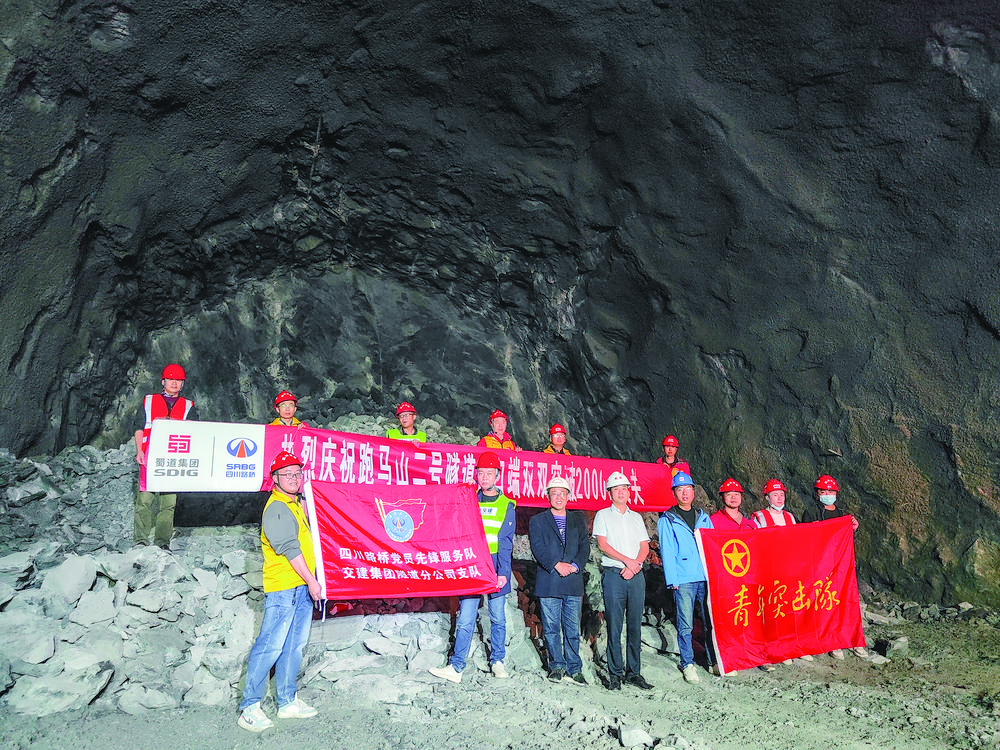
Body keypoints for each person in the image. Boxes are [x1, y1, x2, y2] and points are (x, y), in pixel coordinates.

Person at [237, 451, 321, 732]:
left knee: (293, 646)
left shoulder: (293, 503)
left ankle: (287, 701)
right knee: (270, 646)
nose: (294, 478)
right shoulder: (276, 508)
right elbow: (290, 550)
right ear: (275, 478)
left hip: (299, 588)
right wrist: (312, 581)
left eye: (298, 473)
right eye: (288, 474)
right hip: (284, 588)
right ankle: (249, 707)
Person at [430, 452, 516, 683]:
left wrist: (503, 573)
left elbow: (506, 542)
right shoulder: (468, 500)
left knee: (497, 616)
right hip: (472, 563)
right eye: (481, 473)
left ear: (497, 476)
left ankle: (498, 661)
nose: (485, 477)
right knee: (466, 617)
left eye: (489, 473)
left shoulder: (506, 505)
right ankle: (457, 666)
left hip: (495, 563)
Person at [593, 472, 653, 691]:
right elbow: (603, 545)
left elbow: (644, 546)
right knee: (615, 626)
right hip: (614, 575)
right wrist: (628, 562)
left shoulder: (636, 517)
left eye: (624, 489)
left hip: (635, 575)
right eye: (616, 489)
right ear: (609, 493)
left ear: (629, 491)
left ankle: (633, 672)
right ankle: (615, 674)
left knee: (635, 625)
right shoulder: (602, 515)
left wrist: (635, 565)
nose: (621, 492)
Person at [529, 475, 589, 685]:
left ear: (568, 496)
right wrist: (556, 564)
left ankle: (574, 668)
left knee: (572, 628)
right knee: (552, 627)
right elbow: (537, 547)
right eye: (554, 493)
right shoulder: (538, 521)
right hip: (550, 580)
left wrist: (574, 566)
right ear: (548, 496)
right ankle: (557, 666)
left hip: (572, 580)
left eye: (562, 493)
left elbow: (584, 546)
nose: (558, 497)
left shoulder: (578, 520)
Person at [658, 471, 716, 683]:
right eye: (680, 490)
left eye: (688, 489)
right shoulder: (668, 519)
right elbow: (667, 550)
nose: (684, 493)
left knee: (711, 621)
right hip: (683, 579)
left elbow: (713, 546)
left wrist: (715, 574)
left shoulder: (703, 517)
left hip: (705, 576)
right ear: (674, 493)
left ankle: (713, 661)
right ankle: (688, 663)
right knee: (685, 624)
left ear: (693, 492)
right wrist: (672, 579)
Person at [802, 474, 866, 660]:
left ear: (836, 493)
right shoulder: (811, 513)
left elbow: (846, 540)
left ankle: (851, 639)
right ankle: (832, 642)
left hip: (841, 567)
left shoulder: (843, 515)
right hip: (821, 567)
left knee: (846, 602)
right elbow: (803, 538)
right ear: (817, 494)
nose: (827, 494)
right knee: (826, 604)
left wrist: (853, 528)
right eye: (823, 492)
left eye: (830, 491)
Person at [133, 363, 197, 548]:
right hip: (150, 456)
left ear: (183, 384)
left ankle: (162, 543)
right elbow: (139, 427)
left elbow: (195, 433)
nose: (174, 383)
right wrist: (139, 450)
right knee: (144, 500)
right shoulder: (148, 401)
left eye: (178, 380)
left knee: (168, 504)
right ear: (163, 381)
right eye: (170, 379)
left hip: (173, 460)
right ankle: (140, 541)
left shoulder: (188, 406)